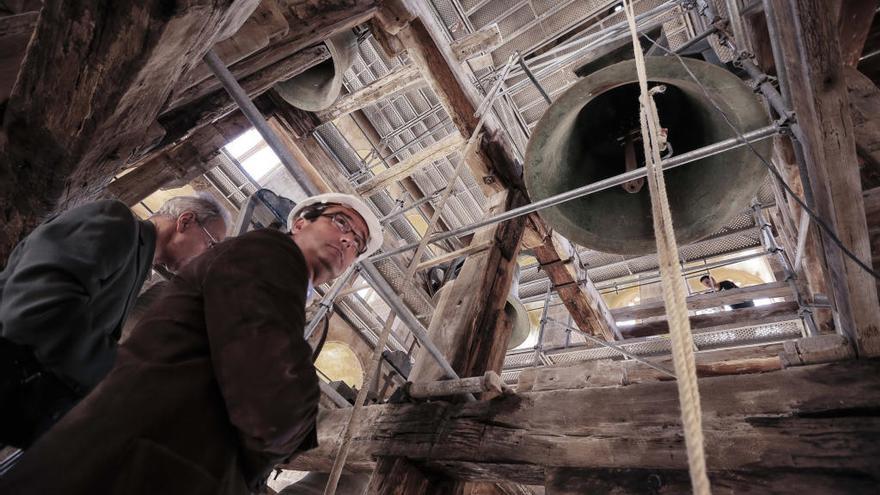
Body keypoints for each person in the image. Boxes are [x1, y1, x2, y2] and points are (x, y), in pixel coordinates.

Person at [0, 193, 383, 495]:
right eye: (340, 222)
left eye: (358, 244)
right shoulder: (270, 253)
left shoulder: (282, 288)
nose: (349, 239)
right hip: (130, 470)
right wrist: (294, 429)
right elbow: (272, 399)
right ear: (300, 223)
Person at [0, 195, 228, 449]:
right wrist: (121, 373)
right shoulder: (116, 223)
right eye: (211, 244)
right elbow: (37, 304)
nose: (207, 258)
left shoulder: (139, 264)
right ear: (186, 221)